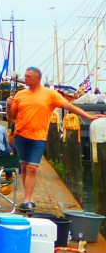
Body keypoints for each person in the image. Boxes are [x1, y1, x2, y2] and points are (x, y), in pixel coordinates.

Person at [7, 66, 103, 211]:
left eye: (28, 77)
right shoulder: (20, 95)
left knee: (32, 168)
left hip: (38, 136)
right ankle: (26, 198)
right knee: (24, 168)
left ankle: (28, 199)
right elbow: (11, 117)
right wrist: (8, 106)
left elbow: (68, 106)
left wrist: (88, 116)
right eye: (25, 76)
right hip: (21, 135)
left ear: (37, 78)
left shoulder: (49, 94)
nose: (25, 79)